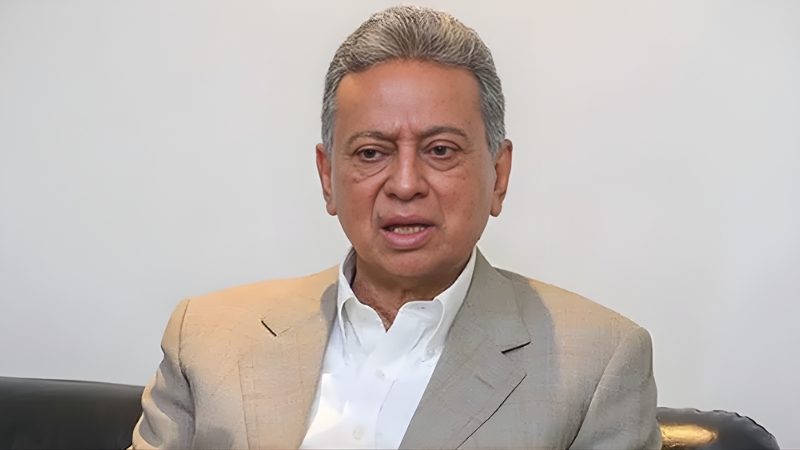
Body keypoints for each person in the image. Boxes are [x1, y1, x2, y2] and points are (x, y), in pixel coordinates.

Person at [131, 5, 661, 449]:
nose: (405, 184)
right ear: (328, 177)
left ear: (498, 176)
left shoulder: (597, 365)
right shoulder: (207, 339)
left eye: (441, 150)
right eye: (371, 152)